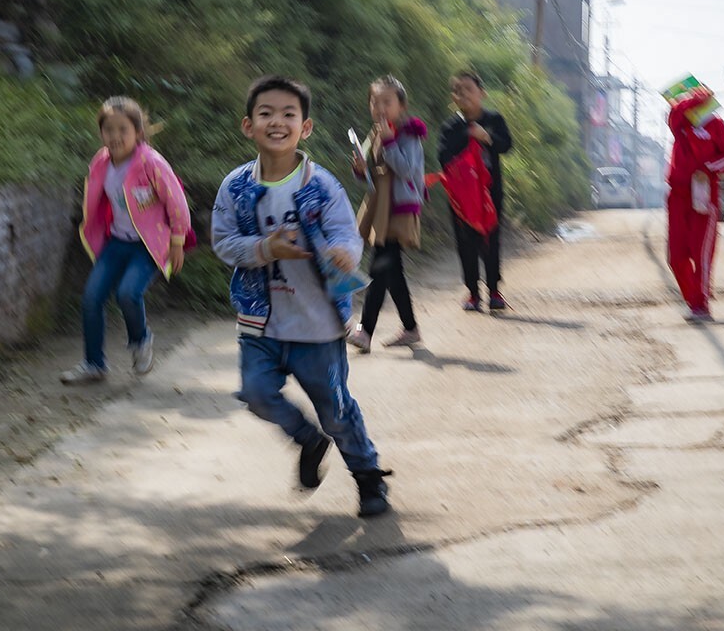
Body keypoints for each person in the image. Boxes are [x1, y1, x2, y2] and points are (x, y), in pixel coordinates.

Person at [211, 75, 392, 518]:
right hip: (260, 322)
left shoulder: (322, 186)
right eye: (266, 113)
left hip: (317, 324)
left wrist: (344, 256)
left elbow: (348, 237)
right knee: (255, 393)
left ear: (305, 128)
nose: (277, 122)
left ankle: (368, 477)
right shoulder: (235, 187)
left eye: (288, 114)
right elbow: (221, 240)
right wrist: (263, 249)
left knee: (336, 408)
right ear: (248, 125)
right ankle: (307, 439)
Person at [63, 97, 192, 384]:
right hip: (116, 242)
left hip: (147, 245)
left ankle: (141, 339)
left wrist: (177, 241)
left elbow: (176, 201)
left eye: (123, 129)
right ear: (101, 133)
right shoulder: (101, 162)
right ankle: (94, 364)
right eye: (109, 129)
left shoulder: (151, 162)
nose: (115, 136)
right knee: (91, 298)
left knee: (127, 293)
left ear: (138, 132)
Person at [347, 76, 427, 352]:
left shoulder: (409, 134)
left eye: (387, 102)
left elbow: (407, 171)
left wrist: (391, 143)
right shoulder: (375, 132)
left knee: (380, 267)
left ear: (401, 106)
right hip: (381, 207)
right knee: (392, 272)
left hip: (399, 209)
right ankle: (410, 328)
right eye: (375, 101)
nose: (380, 107)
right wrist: (360, 168)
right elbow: (372, 174)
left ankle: (365, 331)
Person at [437, 71, 514, 312]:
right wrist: (466, 136)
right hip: (462, 199)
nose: (465, 95)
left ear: (482, 93)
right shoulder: (451, 126)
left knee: (491, 242)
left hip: (491, 195)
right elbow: (443, 156)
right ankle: (472, 292)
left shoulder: (494, 119)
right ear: (454, 98)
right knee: (465, 244)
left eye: (469, 89)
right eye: (459, 91)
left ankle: (494, 290)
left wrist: (487, 137)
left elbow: (507, 145)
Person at [666, 86, 724, 322]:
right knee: (676, 257)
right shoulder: (681, 122)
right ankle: (693, 299)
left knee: (702, 253)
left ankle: (701, 304)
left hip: (705, 198)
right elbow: (674, 116)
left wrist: (707, 169)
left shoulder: (716, 124)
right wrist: (692, 101)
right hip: (678, 196)